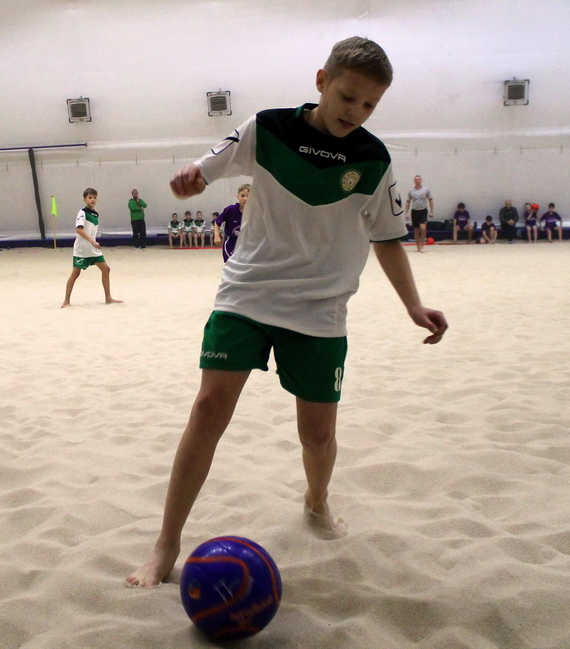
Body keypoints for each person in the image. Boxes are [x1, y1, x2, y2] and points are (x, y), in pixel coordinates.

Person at [126, 36, 447, 589]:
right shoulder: (267, 128)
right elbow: (201, 173)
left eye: (370, 104)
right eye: (348, 96)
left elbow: (388, 237)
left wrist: (413, 304)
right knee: (208, 408)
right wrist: (188, 183)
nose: (356, 111)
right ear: (322, 80)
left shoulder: (374, 160)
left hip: (321, 309)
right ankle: (165, 544)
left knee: (317, 434)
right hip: (248, 293)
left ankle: (316, 499)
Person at [61, 188, 122, 308]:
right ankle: (66, 301)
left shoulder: (95, 214)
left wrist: (93, 242)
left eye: (94, 198)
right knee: (75, 274)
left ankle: (108, 298)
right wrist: (92, 241)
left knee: (106, 269)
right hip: (82, 249)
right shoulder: (82, 212)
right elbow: (79, 230)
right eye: (90, 198)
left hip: (92, 249)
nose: (92, 200)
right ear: (84, 199)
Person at [214, 184, 250, 262]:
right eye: (242, 196)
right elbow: (217, 222)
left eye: (248, 196)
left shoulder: (255, 212)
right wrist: (216, 235)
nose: (245, 198)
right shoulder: (230, 210)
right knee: (234, 264)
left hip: (247, 243)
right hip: (232, 244)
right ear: (238, 197)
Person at [405, 175, 433, 252]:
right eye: (416, 179)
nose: (417, 181)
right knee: (416, 230)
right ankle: (418, 247)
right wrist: (406, 212)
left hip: (423, 211)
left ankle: (422, 245)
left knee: (423, 228)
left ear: (421, 180)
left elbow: (430, 200)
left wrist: (431, 211)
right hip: (414, 211)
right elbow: (408, 202)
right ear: (414, 181)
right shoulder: (411, 191)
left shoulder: (426, 189)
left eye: (419, 179)